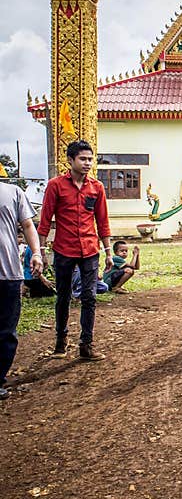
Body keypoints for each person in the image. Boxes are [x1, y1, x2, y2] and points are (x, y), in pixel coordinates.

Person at [37, 139, 112, 361]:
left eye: (90, 159)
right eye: (83, 159)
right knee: (63, 297)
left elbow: (103, 221)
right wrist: (40, 251)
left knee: (89, 297)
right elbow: (45, 220)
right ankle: (61, 341)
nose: (88, 163)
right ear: (70, 160)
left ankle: (86, 345)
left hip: (90, 249)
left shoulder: (96, 187)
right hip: (64, 249)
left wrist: (108, 251)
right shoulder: (56, 185)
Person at [1, 181, 43, 399]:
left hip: (8, 272)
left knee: (6, 331)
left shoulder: (12, 192)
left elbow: (28, 225)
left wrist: (36, 252)